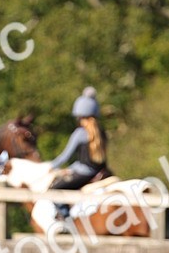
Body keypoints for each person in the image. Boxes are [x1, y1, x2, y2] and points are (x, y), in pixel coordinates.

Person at [29, 88, 111, 234]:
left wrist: (50, 166)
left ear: (79, 116)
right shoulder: (102, 132)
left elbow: (64, 157)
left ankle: (66, 221)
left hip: (84, 173)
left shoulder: (80, 133)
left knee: (54, 190)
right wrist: (72, 168)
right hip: (101, 171)